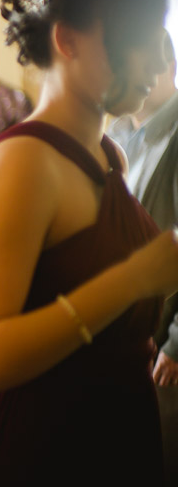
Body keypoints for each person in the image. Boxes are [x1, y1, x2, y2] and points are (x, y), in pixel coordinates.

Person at [0, 0, 178, 486]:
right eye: (137, 37)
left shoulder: (108, 154)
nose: (155, 60)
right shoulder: (23, 164)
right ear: (68, 40)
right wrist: (133, 281)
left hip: (117, 434)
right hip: (47, 449)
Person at [107, 31, 178, 485]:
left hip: (166, 340)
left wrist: (177, 341)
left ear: (166, 68)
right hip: (126, 340)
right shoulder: (118, 132)